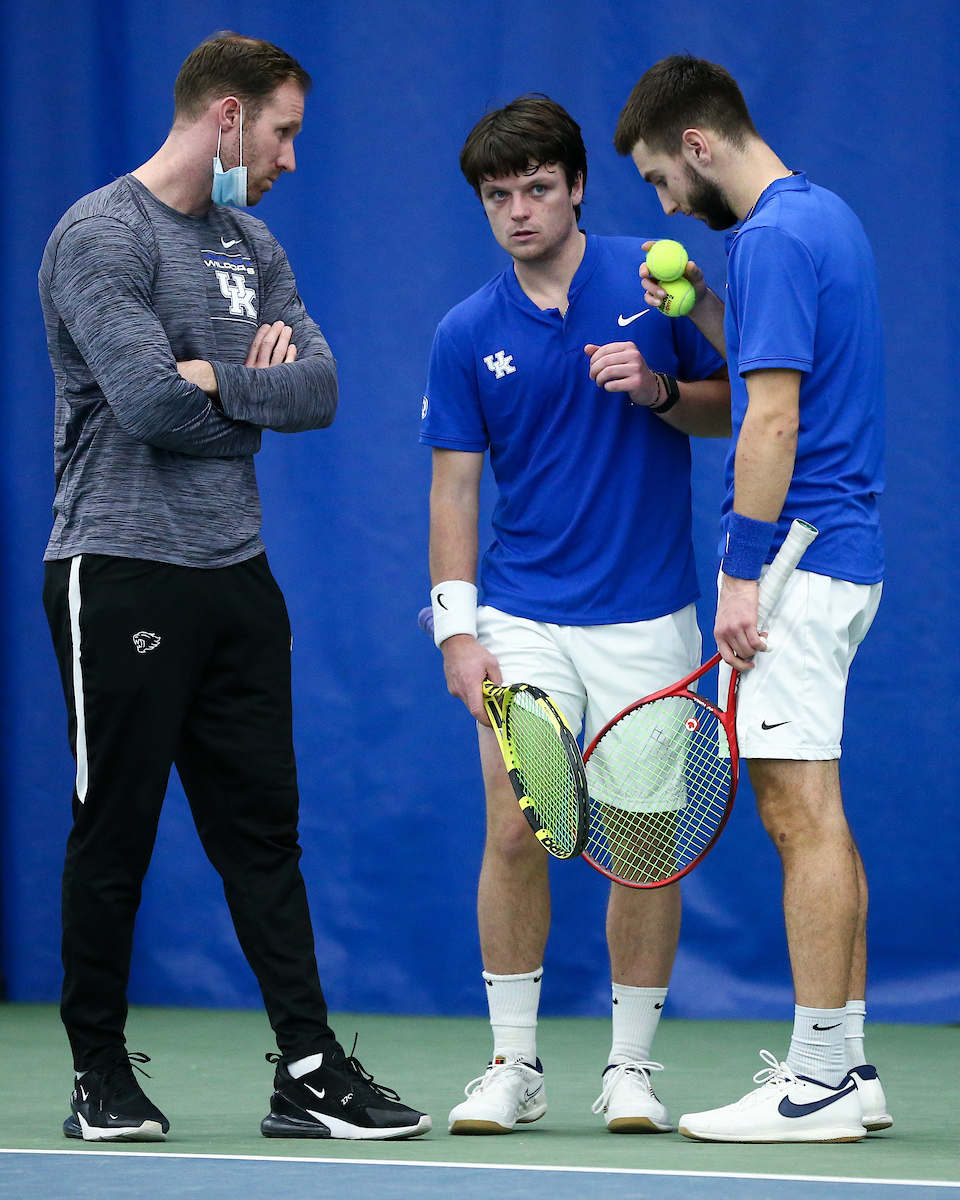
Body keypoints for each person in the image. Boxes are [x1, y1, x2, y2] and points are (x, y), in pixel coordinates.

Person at [39, 32, 430, 1144]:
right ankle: (99, 1079)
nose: (291, 159)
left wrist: (220, 379)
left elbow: (323, 389)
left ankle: (307, 1072)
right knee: (112, 828)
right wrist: (233, 382)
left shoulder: (252, 242)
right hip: (118, 570)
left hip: (236, 578)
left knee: (265, 835)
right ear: (225, 116)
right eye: (283, 131)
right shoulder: (99, 236)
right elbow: (151, 408)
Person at [420, 95, 729, 1136]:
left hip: (648, 615)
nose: (519, 211)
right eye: (498, 197)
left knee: (643, 845)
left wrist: (655, 390)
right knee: (515, 822)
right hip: (523, 617)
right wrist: (457, 628)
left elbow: (737, 403)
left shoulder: (654, 279)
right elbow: (455, 489)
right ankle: (513, 1063)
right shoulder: (466, 333)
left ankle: (629, 1070)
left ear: (577, 184)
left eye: (537, 188)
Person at [614, 54, 888, 1143]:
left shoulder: (771, 235)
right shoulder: (824, 221)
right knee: (818, 806)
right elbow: (790, 369)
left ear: (695, 144)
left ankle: (817, 1079)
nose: (665, 203)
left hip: (796, 562)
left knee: (796, 812)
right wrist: (703, 308)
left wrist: (738, 571)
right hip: (843, 552)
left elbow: (769, 421)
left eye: (657, 179)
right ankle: (849, 1067)